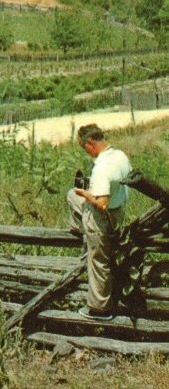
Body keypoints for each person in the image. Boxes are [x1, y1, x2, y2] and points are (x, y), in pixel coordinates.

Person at [67, 124, 131, 320]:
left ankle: (99, 309)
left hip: (102, 216)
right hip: (117, 209)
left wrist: (87, 193)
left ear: (91, 143)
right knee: (72, 195)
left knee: (98, 260)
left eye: (83, 147)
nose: (85, 151)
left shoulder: (101, 168)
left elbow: (102, 203)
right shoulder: (120, 156)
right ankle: (80, 229)